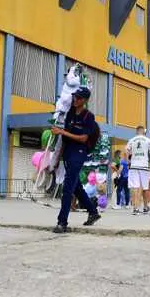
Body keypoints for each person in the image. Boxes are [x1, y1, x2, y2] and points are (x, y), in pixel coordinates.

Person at [51, 87, 101, 233]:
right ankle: (93, 212)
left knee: (67, 188)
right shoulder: (70, 113)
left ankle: (62, 222)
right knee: (77, 187)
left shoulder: (88, 116)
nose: (75, 100)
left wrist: (61, 131)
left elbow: (83, 138)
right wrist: (57, 158)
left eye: (79, 98)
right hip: (68, 152)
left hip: (79, 152)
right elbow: (64, 138)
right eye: (75, 97)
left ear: (85, 100)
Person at [126, 126, 150, 215]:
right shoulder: (148, 140)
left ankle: (135, 208)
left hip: (134, 166)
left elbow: (126, 151)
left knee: (135, 187)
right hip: (144, 166)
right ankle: (145, 207)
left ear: (137, 131)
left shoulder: (131, 140)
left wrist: (128, 163)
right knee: (145, 187)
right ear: (143, 132)